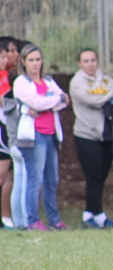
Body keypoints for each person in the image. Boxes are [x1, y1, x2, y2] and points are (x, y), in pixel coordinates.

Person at [13, 44, 69, 231]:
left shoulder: (49, 81)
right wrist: (52, 101)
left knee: (52, 179)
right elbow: (35, 101)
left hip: (51, 134)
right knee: (34, 179)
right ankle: (32, 220)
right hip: (33, 136)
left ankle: (54, 220)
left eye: (38, 59)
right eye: (31, 60)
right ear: (23, 62)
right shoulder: (21, 82)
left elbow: (64, 99)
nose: (35, 64)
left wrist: (48, 103)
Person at [70, 48, 113, 229]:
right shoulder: (76, 82)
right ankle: (99, 215)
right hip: (86, 136)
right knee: (93, 176)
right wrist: (109, 95)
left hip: (106, 136)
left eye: (93, 60)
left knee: (101, 176)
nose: (90, 64)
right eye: (86, 61)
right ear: (80, 64)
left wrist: (109, 93)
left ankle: (89, 215)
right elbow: (93, 100)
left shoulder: (106, 79)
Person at [0, 36, 22, 228]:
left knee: (9, 175)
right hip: (3, 130)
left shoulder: (9, 78)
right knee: (3, 173)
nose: (7, 59)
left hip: (9, 129)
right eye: (4, 55)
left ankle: (7, 216)